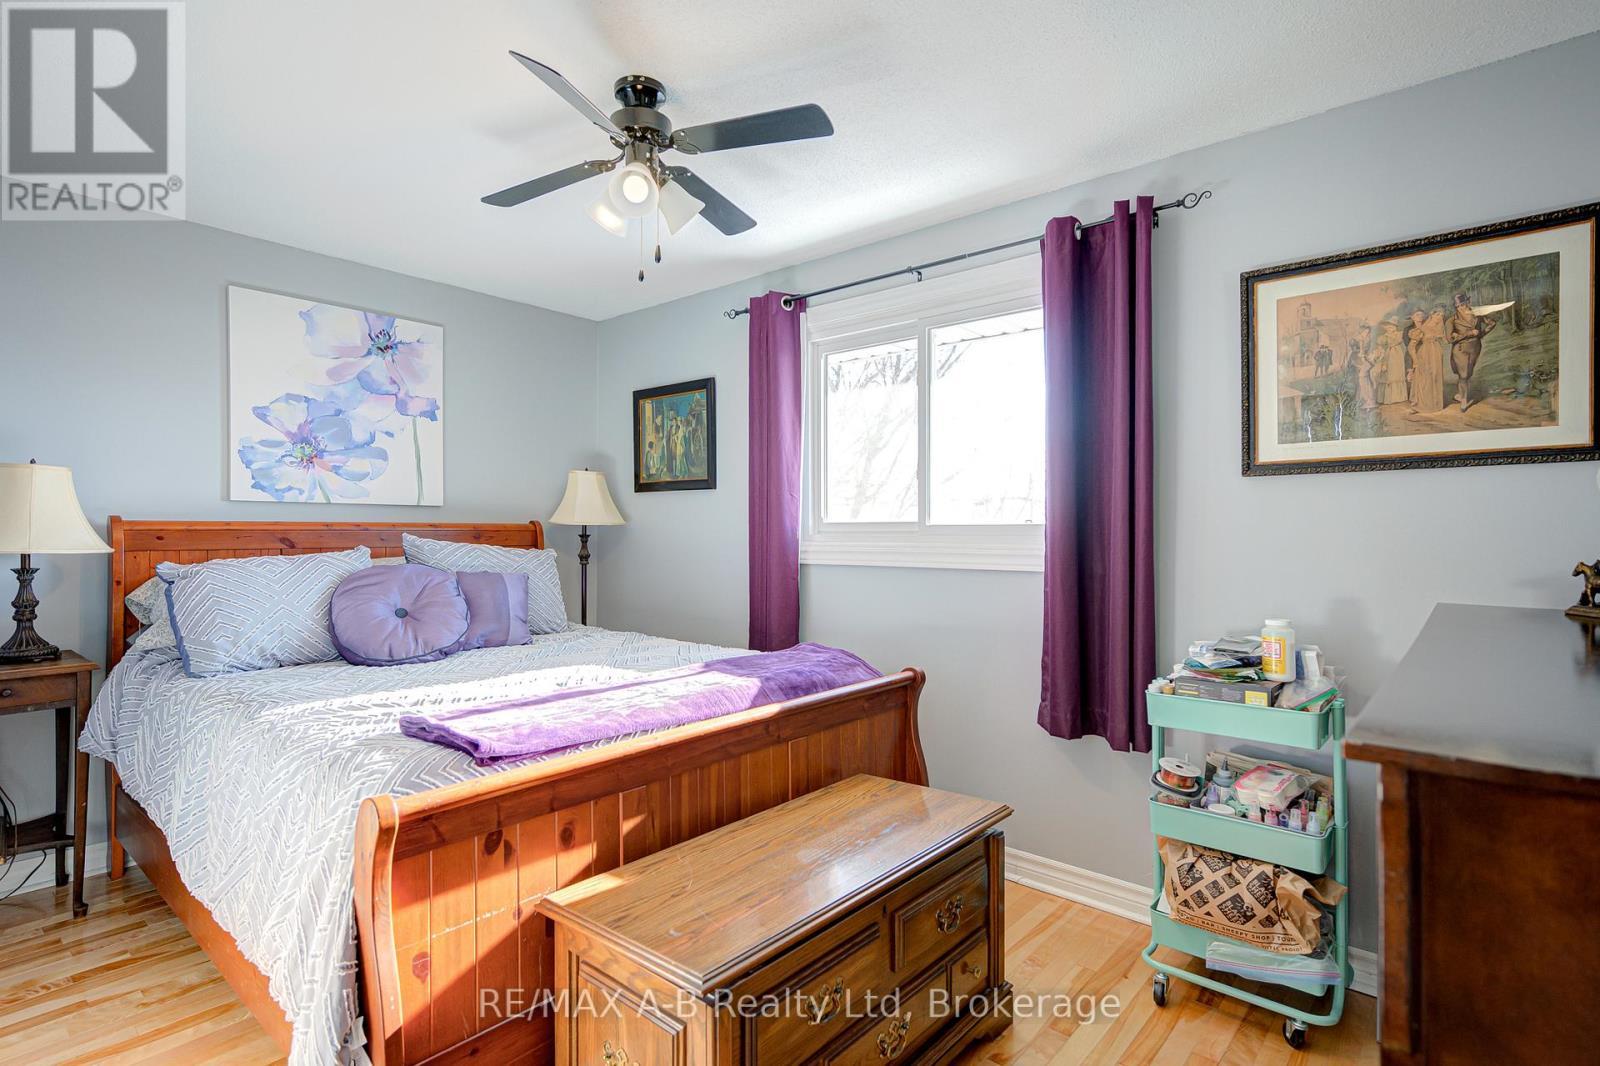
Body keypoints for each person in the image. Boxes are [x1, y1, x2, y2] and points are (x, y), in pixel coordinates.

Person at [1448, 293, 1499, 412]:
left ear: (1468, 303)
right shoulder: (1452, 320)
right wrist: (1468, 334)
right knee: (1464, 375)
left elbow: (1492, 323)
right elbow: (1449, 339)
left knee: (1468, 373)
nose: (1462, 307)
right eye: (1459, 306)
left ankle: (1460, 394)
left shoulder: (1477, 314)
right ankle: (1464, 401)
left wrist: (1481, 334)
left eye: (1463, 304)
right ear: (1456, 307)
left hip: (1475, 348)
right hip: (1460, 349)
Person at [1407, 309, 1446, 414]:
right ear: (1431, 315)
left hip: (1436, 355)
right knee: (1424, 379)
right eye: (1437, 314)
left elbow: (1446, 341)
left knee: (1435, 377)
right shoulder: (1422, 328)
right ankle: (1421, 405)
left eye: (1442, 315)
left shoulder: (1439, 328)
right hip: (1424, 355)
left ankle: (1434, 405)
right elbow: (1411, 347)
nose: (1439, 317)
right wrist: (1415, 361)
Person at [1375, 318, 1409, 406]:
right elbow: (1380, 347)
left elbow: (1400, 342)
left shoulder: (1399, 335)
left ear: (1396, 327)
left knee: (1396, 373)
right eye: (1388, 326)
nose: (1390, 328)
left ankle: (1398, 397)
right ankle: (1387, 397)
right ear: (1386, 327)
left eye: (1393, 326)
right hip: (1387, 355)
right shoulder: (1383, 337)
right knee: (1388, 374)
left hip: (1397, 355)